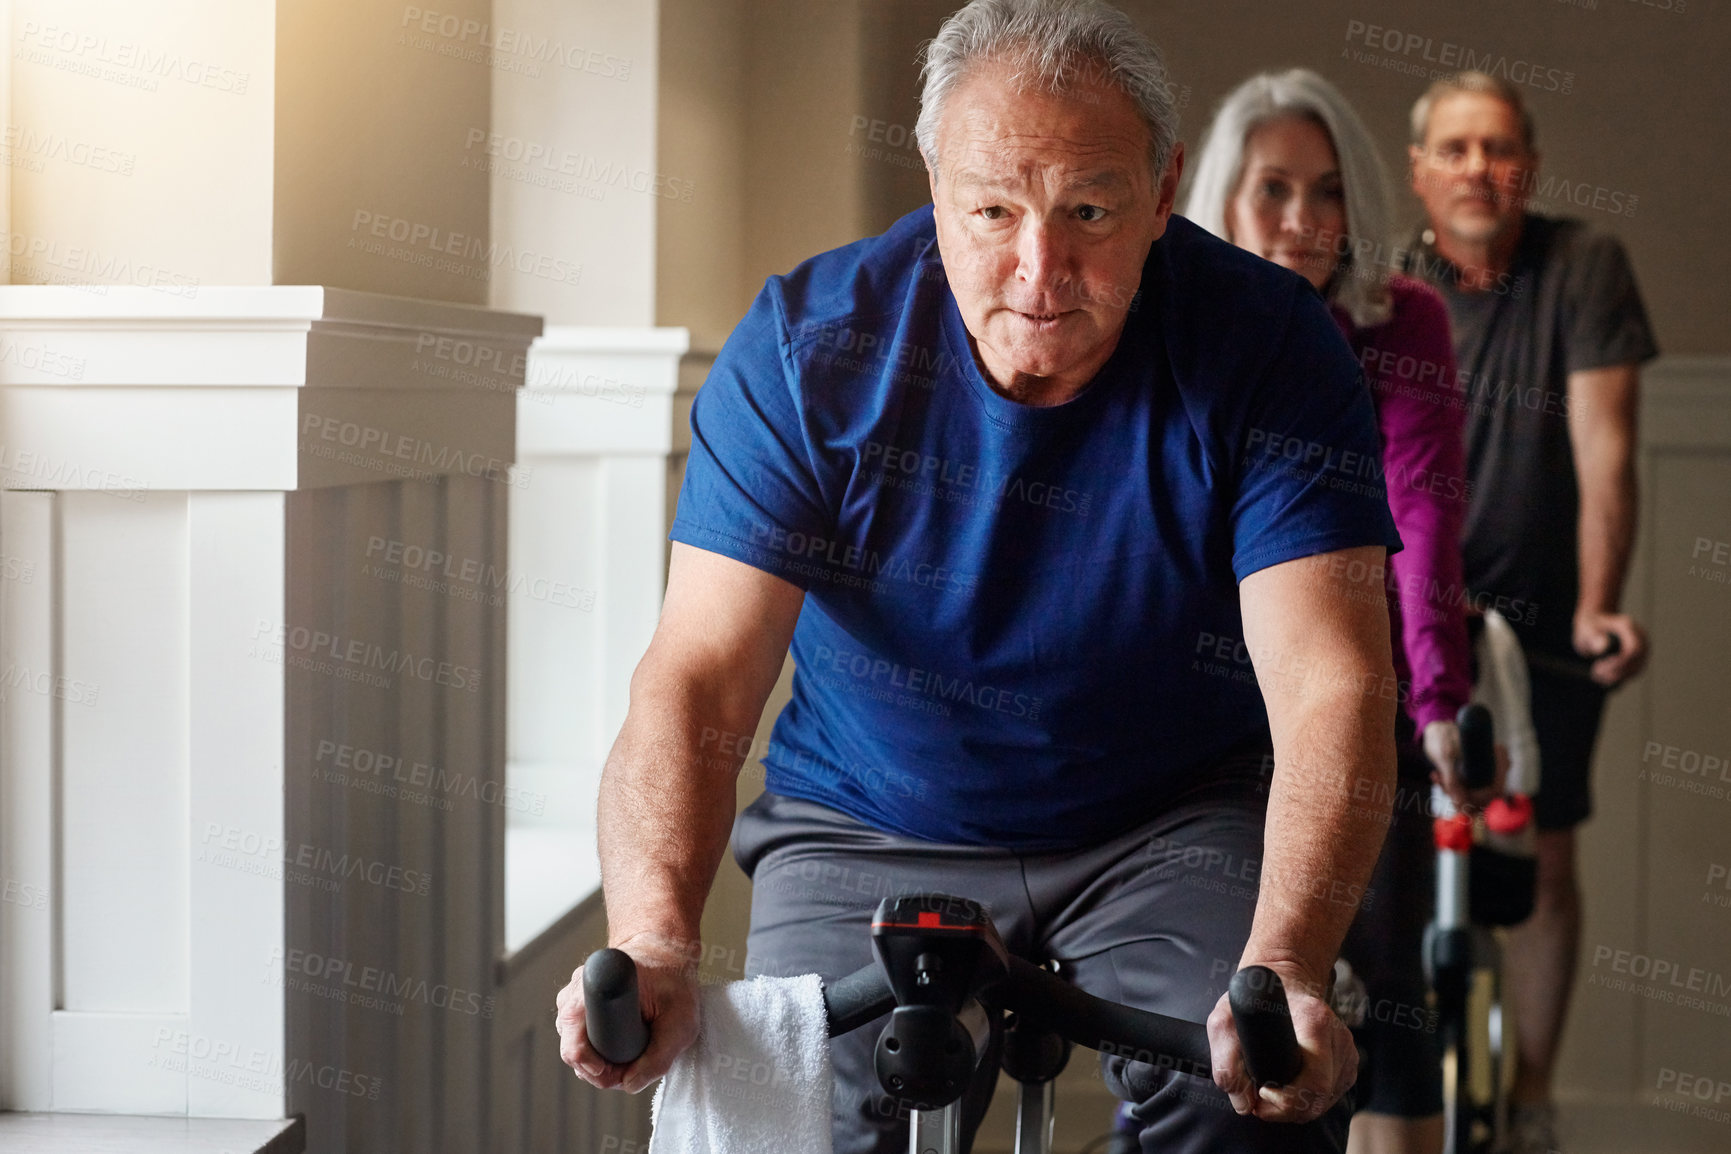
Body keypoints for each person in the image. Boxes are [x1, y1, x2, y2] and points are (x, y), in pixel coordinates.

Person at [556, 3, 1406, 1151]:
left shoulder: (1272, 345)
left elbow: (1331, 686)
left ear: (1164, 193)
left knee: (1249, 1089)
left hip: (1169, 812)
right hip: (865, 812)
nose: (1038, 268)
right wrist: (653, 934)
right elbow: (700, 676)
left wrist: (1290, 961)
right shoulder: (811, 349)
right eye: (993, 210)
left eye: (1091, 211)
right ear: (934, 183)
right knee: (785, 1117)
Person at [1185, 68, 1474, 1154]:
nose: (1305, 220)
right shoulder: (1186, 323)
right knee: (1215, 977)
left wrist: (1438, 697)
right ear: (1222, 194)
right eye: (1274, 189)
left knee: (1386, 973)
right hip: (1206, 696)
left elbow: (1423, 516)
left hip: (1356, 669)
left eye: (1328, 191)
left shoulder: (1403, 320)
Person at [1403, 71, 1657, 1154]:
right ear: (1417, 172)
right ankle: (1401, 1096)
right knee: (1405, 863)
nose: (1477, 168)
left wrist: (1602, 604)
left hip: (1547, 618)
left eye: (1498, 147)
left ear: (1531, 169)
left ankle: (1531, 1100)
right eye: (1453, 148)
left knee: (1542, 861)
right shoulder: (1388, 286)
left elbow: (1607, 452)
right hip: (1416, 615)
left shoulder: (1582, 266)